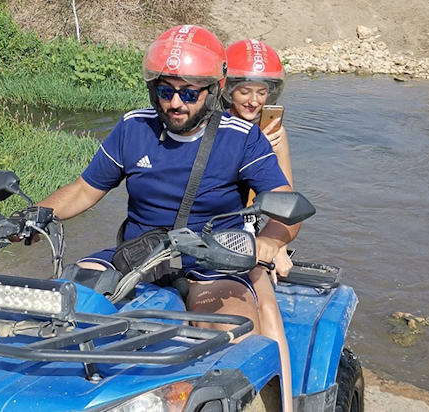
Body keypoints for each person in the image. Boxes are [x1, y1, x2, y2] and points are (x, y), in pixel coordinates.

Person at [34, 25, 297, 411]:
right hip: (139, 255)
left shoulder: (241, 136)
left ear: (212, 91)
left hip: (213, 260)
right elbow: (84, 189)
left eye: (189, 93)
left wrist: (272, 241)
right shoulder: (133, 127)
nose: (176, 103)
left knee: (232, 337)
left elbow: (284, 202)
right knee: (62, 301)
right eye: (165, 90)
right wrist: (32, 216)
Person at [223, 39, 294, 277]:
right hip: (221, 222)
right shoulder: (217, 127)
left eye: (262, 93)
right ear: (228, 90)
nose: (254, 101)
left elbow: (285, 200)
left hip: (251, 225)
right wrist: (253, 147)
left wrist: (277, 245)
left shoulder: (276, 134)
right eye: (244, 92)